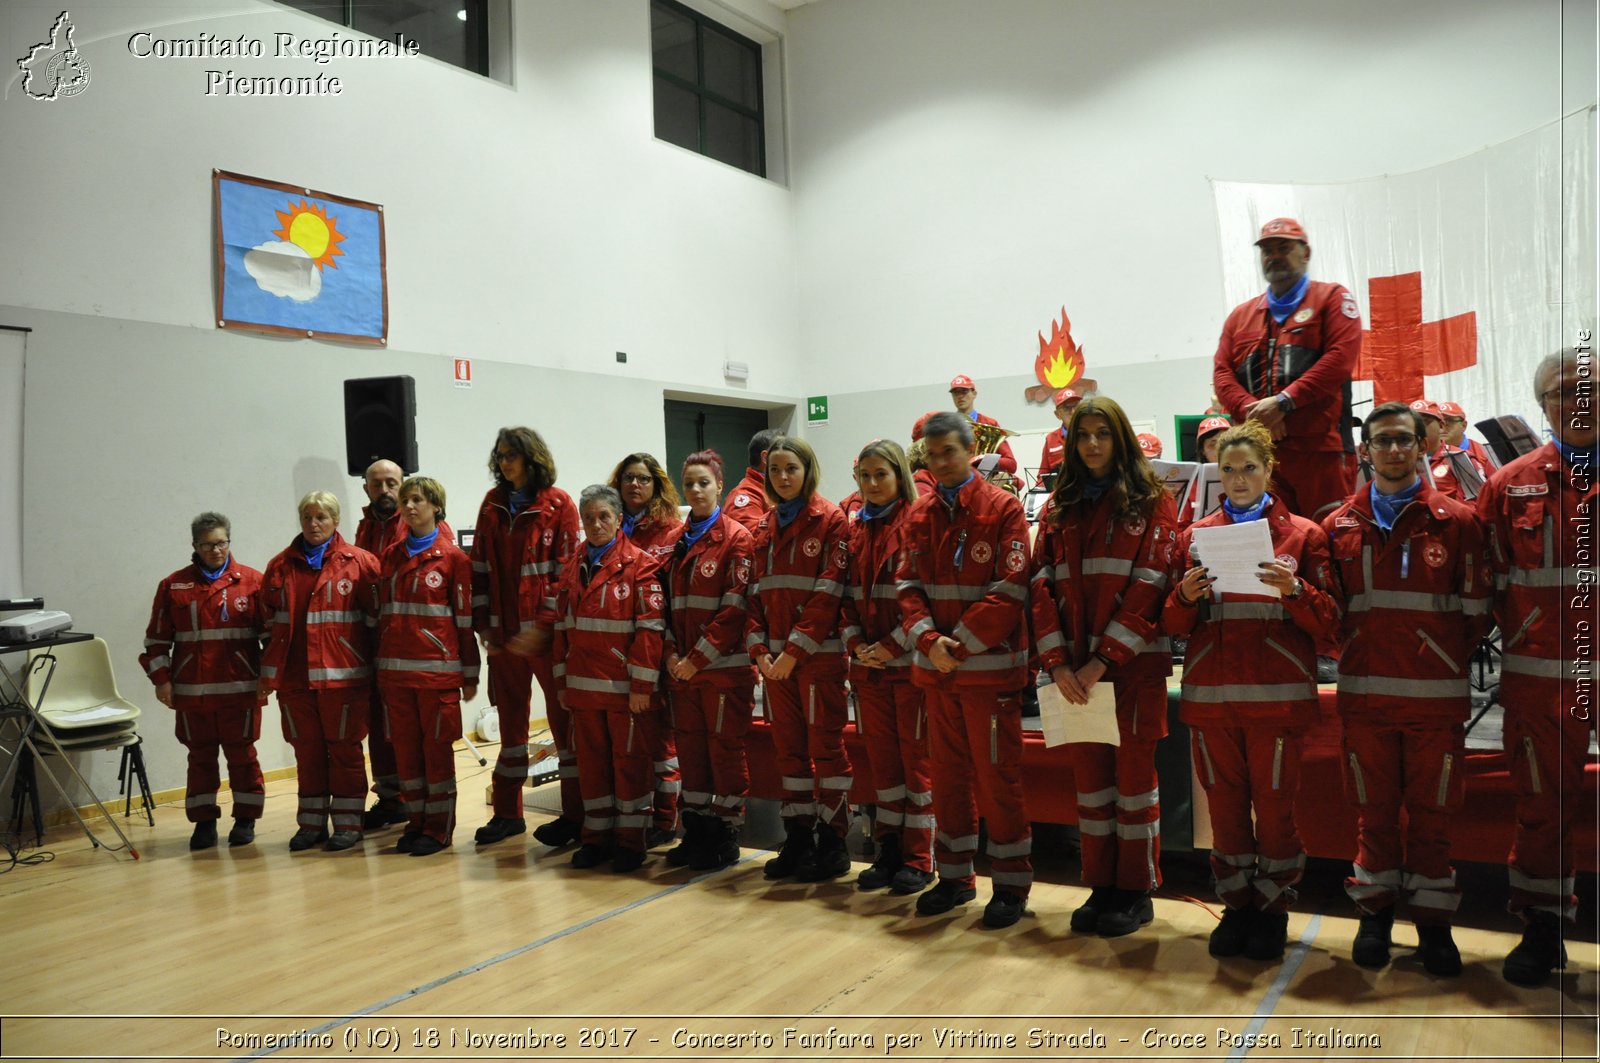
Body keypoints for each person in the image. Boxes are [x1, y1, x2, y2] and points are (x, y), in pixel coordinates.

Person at [1321, 402, 1492, 976]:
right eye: (1381, 441)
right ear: (1364, 451)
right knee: (1373, 817)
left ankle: (1434, 927)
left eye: (1403, 440)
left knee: (1431, 818)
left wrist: (1433, 656)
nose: (1393, 450)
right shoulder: (1337, 526)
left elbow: (1476, 618)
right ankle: (1374, 918)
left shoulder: (1459, 523)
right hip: (1365, 702)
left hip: (1434, 702)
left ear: (1424, 445)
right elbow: (1328, 616)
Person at [1164, 422, 1341, 960]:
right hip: (1213, 700)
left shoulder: (1304, 535)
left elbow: (1331, 625)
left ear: (1269, 470)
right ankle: (1237, 905)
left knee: (1276, 811)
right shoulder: (1192, 538)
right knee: (1226, 811)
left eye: (1249, 468)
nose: (1238, 479)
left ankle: (1273, 909)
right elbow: (1172, 625)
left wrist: (1296, 590)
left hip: (1276, 699)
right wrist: (1184, 595)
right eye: (1229, 470)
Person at [1030, 396, 1175, 937]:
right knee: (1091, 788)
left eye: (1102, 434)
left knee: (1134, 785)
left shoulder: (1152, 501)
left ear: (1121, 439)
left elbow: (1151, 586)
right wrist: (1059, 664)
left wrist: (1100, 662)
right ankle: (1101, 886)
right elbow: (1038, 587)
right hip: (1072, 675)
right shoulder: (1058, 506)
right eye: (1082, 435)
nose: (1091, 444)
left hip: (1130, 671)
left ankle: (1135, 890)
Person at [1478, 348, 1596, 985]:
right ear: (1542, 406)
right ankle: (1543, 927)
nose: (1579, 399)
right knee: (1542, 805)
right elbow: (1489, 580)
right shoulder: (1509, 484)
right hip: (1544, 676)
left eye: (1592, 386)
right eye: (1562, 391)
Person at [898, 411, 1033, 928]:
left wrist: (961, 645)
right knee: (949, 781)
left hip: (989, 674)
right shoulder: (919, 514)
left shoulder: (1003, 509)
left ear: (970, 448)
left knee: (998, 781)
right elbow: (906, 587)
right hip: (938, 674)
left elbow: (1011, 586)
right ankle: (954, 878)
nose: (940, 463)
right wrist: (930, 643)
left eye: (949, 453)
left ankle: (1012, 887)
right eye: (931, 456)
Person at [746, 435, 854, 882]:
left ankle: (833, 842)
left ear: (808, 470)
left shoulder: (831, 521)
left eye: (792, 468)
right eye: (775, 470)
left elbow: (828, 594)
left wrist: (792, 651)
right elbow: (751, 594)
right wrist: (759, 651)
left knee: (825, 751)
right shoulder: (764, 526)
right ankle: (798, 837)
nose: (783, 477)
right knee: (789, 753)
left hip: (817, 661)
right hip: (774, 666)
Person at [469, 427, 582, 848]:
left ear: (532, 457)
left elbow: (566, 574)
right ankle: (506, 814)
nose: (504, 462)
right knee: (510, 729)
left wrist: (543, 626)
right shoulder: (492, 504)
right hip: (502, 637)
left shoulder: (559, 504)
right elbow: (479, 566)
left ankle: (575, 814)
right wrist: (484, 625)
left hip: (546, 639)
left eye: (512, 454)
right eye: (499, 455)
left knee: (562, 725)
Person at [1214, 217, 1363, 519]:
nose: (1274, 256)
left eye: (1283, 247)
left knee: (1330, 539)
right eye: (1267, 250)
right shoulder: (1239, 316)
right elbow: (1222, 374)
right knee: (1272, 544)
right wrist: (1257, 413)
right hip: (1261, 455)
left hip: (1321, 453)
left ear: (1305, 253)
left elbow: (1339, 359)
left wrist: (1284, 402)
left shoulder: (1332, 299)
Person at [552, 485, 666, 873]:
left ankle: (632, 843)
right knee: (593, 768)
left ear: (619, 519)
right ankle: (596, 839)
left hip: (624, 693)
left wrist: (642, 687)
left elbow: (650, 631)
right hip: (583, 691)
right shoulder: (571, 566)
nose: (596, 524)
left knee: (629, 766)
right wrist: (562, 683)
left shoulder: (641, 565)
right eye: (589, 518)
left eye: (604, 516)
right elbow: (561, 632)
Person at [258, 491, 381, 852]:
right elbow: (266, 622)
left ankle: (347, 824)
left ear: (335, 520)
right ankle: (310, 825)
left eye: (321, 517)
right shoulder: (279, 566)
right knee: (306, 753)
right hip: (296, 680)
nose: (314, 524)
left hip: (343, 679)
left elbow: (375, 622)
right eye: (308, 517)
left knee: (344, 752)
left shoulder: (360, 562)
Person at [840, 439, 934, 896]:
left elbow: (923, 598)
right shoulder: (855, 529)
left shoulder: (917, 525)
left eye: (882, 474)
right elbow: (843, 600)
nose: (874, 484)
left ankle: (920, 857)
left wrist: (892, 647)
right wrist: (858, 645)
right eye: (865, 476)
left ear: (900, 475)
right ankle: (889, 850)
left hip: (909, 666)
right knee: (883, 767)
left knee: (916, 765)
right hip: (868, 669)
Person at [140, 512, 267, 850]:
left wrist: (269, 678)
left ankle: (246, 819)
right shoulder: (173, 585)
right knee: (200, 760)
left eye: (221, 543)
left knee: (243, 757)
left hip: (240, 691)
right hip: (192, 693)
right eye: (208, 545)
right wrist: (162, 681)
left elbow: (271, 637)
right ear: (194, 545)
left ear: (229, 541)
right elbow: (155, 642)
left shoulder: (253, 581)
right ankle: (204, 823)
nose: (216, 551)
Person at [661, 450, 757, 871]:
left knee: (724, 754)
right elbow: (661, 606)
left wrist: (696, 659)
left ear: (721, 485)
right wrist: (671, 655)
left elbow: (734, 610)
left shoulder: (737, 539)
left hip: (721, 672)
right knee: (691, 753)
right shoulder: (677, 542)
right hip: (683, 674)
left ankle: (725, 834)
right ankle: (696, 829)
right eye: (690, 484)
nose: (696, 491)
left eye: (704, 483)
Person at [375, 476, 479, 856]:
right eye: (405, 500)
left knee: (435, 754)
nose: (409, 506)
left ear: (436, 506)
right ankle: (415, 822)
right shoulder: (390, 556)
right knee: (406, 754)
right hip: (396, 676)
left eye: (417, 499)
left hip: (436, 675)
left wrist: (470, 673)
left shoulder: (454, 559)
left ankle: (438, 829)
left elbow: (464, 621)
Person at [353, 458, 455, 832]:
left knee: (426, 740)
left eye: (391, 483)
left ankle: (431, 814)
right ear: (366, 489)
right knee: (383, 731)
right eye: (377, 484)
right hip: (381, 647)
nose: (385, 491)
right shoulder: (365, 528)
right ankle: (392, 799)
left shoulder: (420, 526)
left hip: (423, 656)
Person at [610, 451, 684, 845]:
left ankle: (665, 820)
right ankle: (634, 817)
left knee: (662, 741)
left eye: (642, 479)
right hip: (620, 654)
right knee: (632, 743)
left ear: (656, 485)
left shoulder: (671, 531)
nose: (634, 486)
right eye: (628, 479)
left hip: (660, 647)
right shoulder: (611, 526)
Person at [948, 374, 1018, 476]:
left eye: (964, 391)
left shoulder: (990, 423)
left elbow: (1011, 463)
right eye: (956, 392)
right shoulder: (947, 426)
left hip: (986, 484)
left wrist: (985, 462)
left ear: (974, 394)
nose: (960, 396)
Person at [725, 428, 779, 537]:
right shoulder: (746, 495)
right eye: (783, 451)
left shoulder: (776, 489)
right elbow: (750, 541)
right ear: (765, 457)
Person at [1036, 387, 1085, 483]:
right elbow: (1042, 476)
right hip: (1058, 491)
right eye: (1067, 408)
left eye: (1076, 406)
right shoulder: (1051, 439)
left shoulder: (1089, 433)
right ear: (1057, 414)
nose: (1073, 412)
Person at [1439, 400, 1497, 472]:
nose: (1443, 426)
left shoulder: (1482, 452)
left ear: (1464, 425)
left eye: (1449, 421)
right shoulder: (1431, 453)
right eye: (1439, 422)